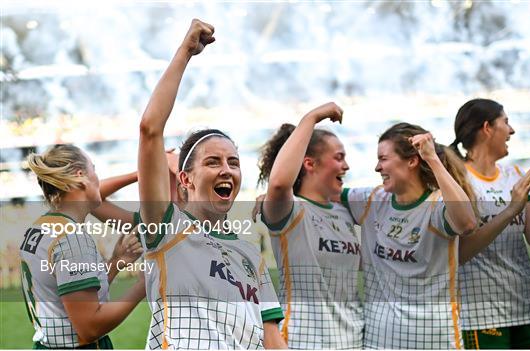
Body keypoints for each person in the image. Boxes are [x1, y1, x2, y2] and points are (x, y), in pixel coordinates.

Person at [137, 19, 286, 349]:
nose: (227, 170)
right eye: (213, 162)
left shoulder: (250, 256)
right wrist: (185, 52)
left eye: (233, 163)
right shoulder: (166, 229)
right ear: (186, 178)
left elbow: (272, 339)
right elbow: (149, 130)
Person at [342, 122, 477, 349]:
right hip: (380, 342)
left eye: (383, 158)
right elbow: (320, 191)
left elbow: (468, 223)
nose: (377, 167)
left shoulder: (437, 206)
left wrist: (432, 159)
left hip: (436, 342)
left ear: (412, 161)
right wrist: (279, 197)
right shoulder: (372, 200)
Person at [258, 102, 364, 349]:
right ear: (309, 164)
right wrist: (312, 118)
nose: (346, 166)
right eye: (338, 158)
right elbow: (278, 184)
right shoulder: (291, 210)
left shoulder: (345, 212)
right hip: (303, 342)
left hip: (353, 342)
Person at [22, 144, 145, 349]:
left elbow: (70, 291)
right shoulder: (71, 237)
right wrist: (144, 285)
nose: (98, 178)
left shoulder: (41, 227)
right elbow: (89, 328)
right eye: (93, 170)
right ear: (80, 176)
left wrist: (116, 262)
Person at [449, 98, 530, 349]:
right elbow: (461, 252)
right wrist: (511, 210)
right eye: (506, 122)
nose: (511, 131)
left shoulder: (515, 176)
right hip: (483, 315)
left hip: (527, 307)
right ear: (487, 127)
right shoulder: (458, 181)